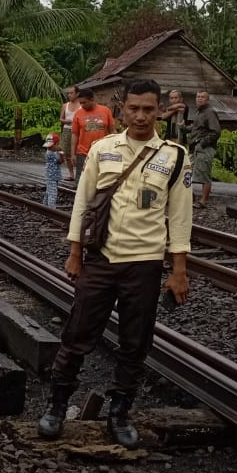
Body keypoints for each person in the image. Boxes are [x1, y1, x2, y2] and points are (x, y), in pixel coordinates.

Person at [38, 78, 191, 446]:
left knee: (135, 343)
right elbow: (82, 203)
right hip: (101, 259)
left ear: (159, 111)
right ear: (123, 110)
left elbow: (180, 217)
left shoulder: (175, 156)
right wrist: (75, 252)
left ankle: (119, 414)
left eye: (149, 109)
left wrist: (179, 271)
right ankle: (57, 407)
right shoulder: (103, 150)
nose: (141, 116)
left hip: (145, 263)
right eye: (134, 108)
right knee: (77, 334)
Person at [70, 88, 116, 182]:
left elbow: (112, 131)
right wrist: (73, 154)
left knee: (101, 181)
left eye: (84, 102)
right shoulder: (78, 113)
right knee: (81, 182)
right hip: (83, 152)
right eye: (80, 103)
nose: (82, 105)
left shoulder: (105, 111)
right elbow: (75, 135)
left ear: (92, 99)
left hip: (102, 152)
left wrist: (116, 147)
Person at [190, 91, 221, 208]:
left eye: (202, 97)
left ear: (207, 100)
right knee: (188, 172)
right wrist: (184, 128)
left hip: (205, 148)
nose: (199, 99)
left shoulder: (210, 112)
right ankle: (190, 197)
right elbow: (197, 129)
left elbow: (216, 132)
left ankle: (203, 201)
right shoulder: (200, 112)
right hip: (195, 147)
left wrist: (202, 143)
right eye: (198, 96)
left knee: (204, 174)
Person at [59, 86, 80, 180]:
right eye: (68, 93)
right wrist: (65, 121)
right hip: (67, 130)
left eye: (71, 93)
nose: (69, 95)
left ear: (77, 94)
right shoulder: (65, 105)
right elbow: (61, 119)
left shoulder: (81, 105)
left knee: (78, 152)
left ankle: (79, 174)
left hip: (78, 131)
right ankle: (71, 174)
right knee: (66, 152)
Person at [43, 132, 62, 207]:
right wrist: (61, 153)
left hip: (53, 175)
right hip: (51, 176)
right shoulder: (51, 153)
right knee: (53, 193)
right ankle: (51, 209)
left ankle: (44, 206)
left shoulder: (53, 151)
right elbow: (59, 161)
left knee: (49, 191)